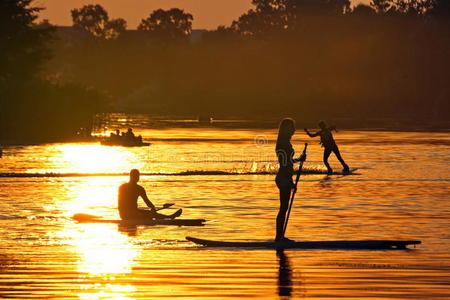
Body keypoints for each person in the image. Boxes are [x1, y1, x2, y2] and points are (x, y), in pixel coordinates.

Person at [275, 118, 306, 242]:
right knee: (283, 208)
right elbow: (285, 163)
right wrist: (290, 181)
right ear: (287, 129)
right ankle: (279, 237)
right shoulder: (283, 144)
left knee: (284, 208)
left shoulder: (285, 142)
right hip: (284, 177)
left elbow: (288, 161)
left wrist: (299, 159)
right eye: (292, 127)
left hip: (285, 177)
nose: (294, 130)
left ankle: (280, 236)